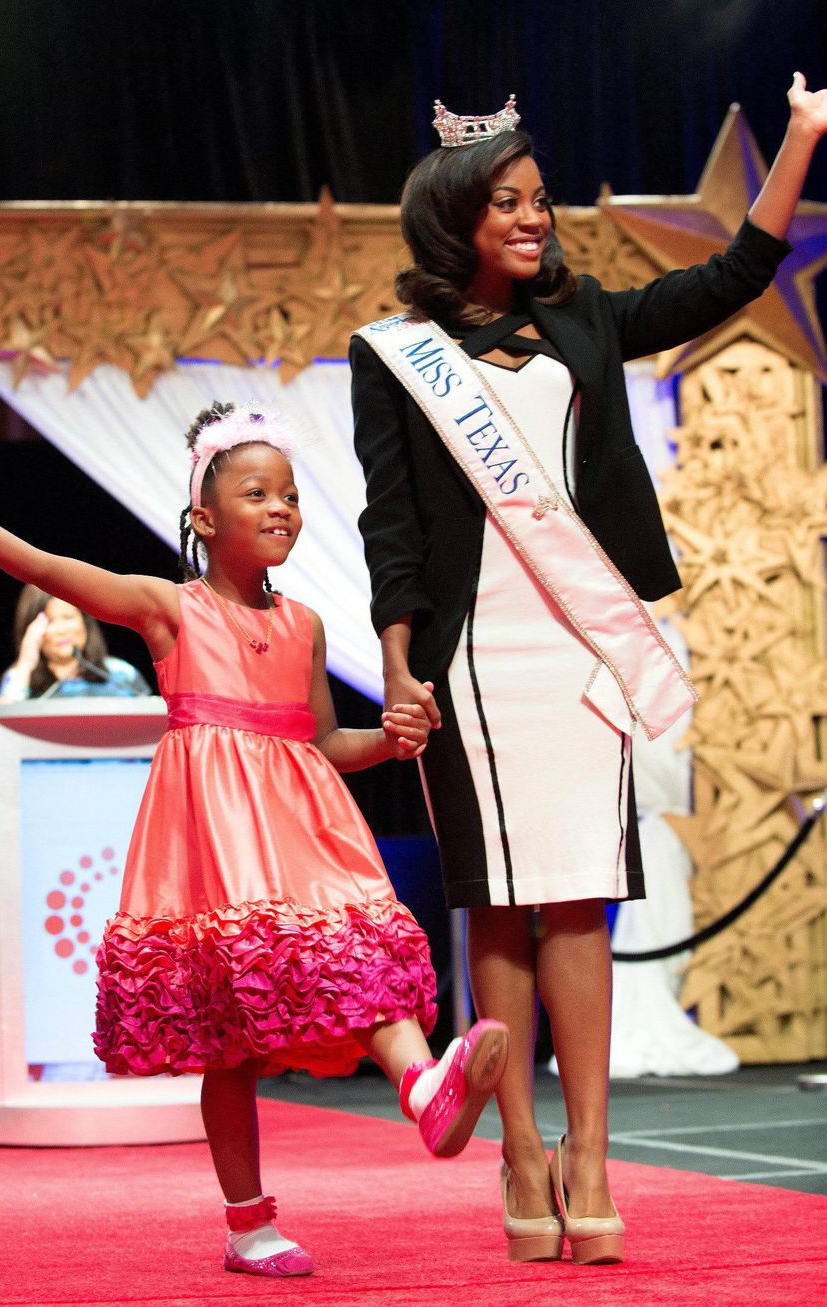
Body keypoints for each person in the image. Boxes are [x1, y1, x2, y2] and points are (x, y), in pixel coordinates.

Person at [0, 400, 510, 1280]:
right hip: (215, 842)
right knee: (229, 1041)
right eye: (256, 492)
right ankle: (249, 1225)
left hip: (305, 828)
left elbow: (317, 741)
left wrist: (390, 740)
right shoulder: (170, 609)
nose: (281, 507)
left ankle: (423, 1088)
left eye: (290, 493)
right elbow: (47, 564)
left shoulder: (307, 624)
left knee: (358, 952)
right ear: (205, 518)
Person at [349, 74, 827, 1266]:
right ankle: (516, 1151)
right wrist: (400, 666)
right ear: (450, 217)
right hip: (466, 662)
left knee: (578, 891)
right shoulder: (396, 354)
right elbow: (391, 524)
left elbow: (729, 277)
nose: (531, 218)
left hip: (578, 644)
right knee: (495, 900)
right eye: (504, 201)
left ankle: (592, 1153)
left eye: (538, 199)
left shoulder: (585, 320)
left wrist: (802, 139)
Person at [0, 584, 152, 702]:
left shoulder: (121, 675)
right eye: (49, 621)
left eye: (68, 618)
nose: (61, 630)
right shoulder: (20, 679)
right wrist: (26, 664)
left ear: (84, 622)